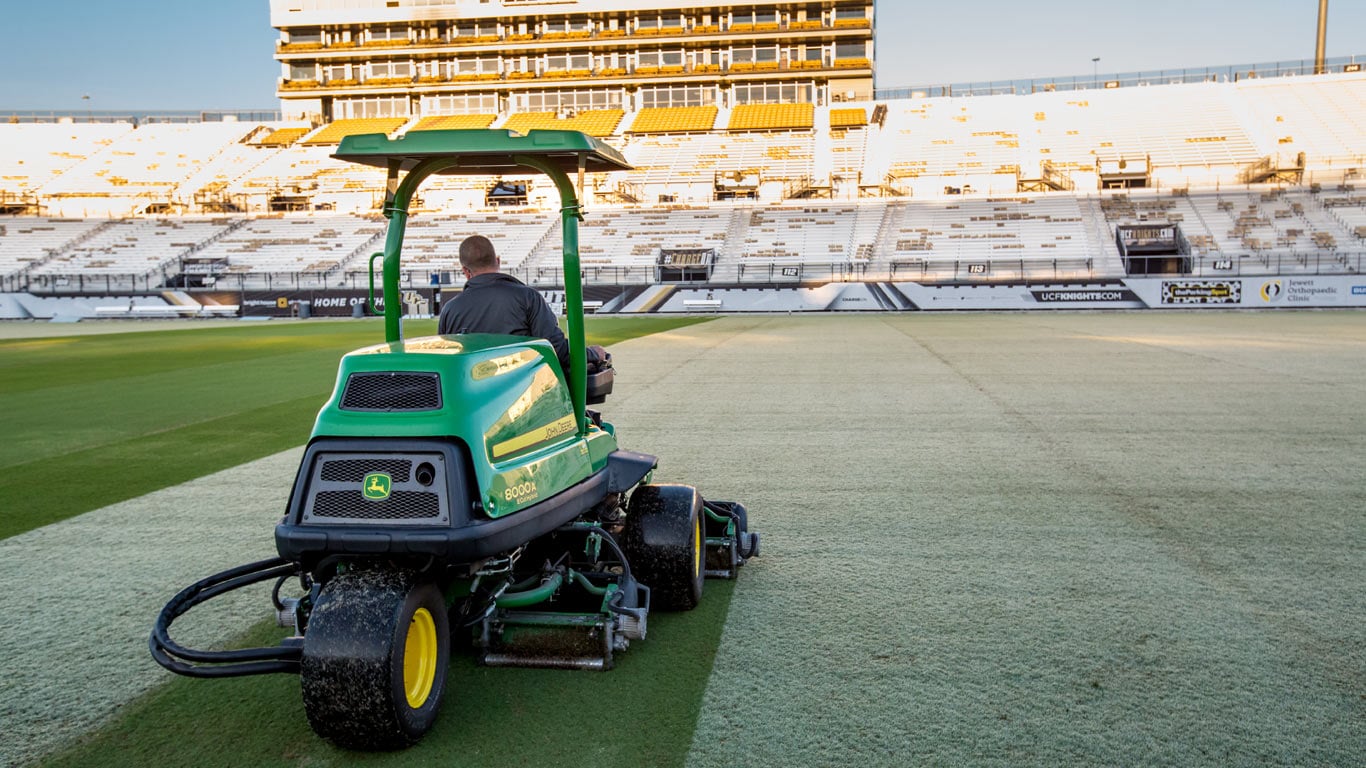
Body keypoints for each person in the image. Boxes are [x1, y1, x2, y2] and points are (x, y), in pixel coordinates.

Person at [438, 235, 571, 372]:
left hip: (471, 390)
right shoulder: (528, 297)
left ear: (465, 271)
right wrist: (591, 353)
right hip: (521, 389)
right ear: (498, 261)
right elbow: (557, 349)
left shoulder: (449, 310)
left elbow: (445, 363)